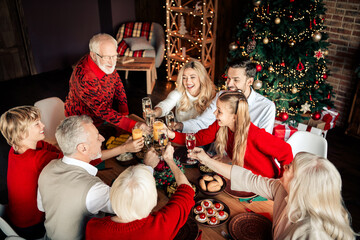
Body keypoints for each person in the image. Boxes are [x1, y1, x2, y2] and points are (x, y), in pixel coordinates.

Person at [189, 150, 358, 240]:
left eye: (290, 167)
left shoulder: (311, 232)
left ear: (301, 184)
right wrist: (206, 160)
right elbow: (249, 179)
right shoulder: (283, 188)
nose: (284, 166)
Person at [37, 115, 142, 240]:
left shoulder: (48, 168)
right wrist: (148, 167)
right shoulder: (94, 189)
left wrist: (123, 148)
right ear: (83, 148)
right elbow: (131, 206)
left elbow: (41, 207)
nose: (102, 139)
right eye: (97, 137)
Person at [169, 91, 292, 178]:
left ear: (235, 117)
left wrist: (283, 179)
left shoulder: (255, 134)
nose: (215, 113)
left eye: (219, 111)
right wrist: (171, 134)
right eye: (216, 109)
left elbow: (286, 151)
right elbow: (199, 138)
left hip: (265, 183)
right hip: (244, 179)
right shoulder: (221, 125)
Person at [85, 144, 195, 240]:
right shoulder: (161, 226)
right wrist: (170, 160)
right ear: (153, 197)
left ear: (113, 191)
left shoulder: (93, 228)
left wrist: (148, 167)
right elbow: (187, 190)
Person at [64, 33, 148, 134]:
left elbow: (118, 85)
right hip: (81, 124)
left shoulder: (103, 60)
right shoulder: (85, 76)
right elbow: (101, 109)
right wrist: (133, 125)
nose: (112, 62)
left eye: (114, 56)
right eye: (108, 57)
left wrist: (124, 113)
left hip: (103, 117)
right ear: (93, 56)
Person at [0, 106, 61, 239]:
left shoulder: (15, 148)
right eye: (36, 124)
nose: (43, 125)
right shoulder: (36, 159)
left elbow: (47, 146)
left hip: (15, 217)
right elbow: (74, 159)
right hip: (31, 226)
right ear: (22, 133)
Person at [173, 59, 276, 134]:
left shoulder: (266, 107)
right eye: (228, 78)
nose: (229, 84)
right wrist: (179, 125)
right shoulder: (221, 95)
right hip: (217, 153)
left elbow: (262, 143)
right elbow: (203, 122)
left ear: (250, 81)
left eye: (236, 80)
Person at [152, 61, 216, 130]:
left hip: (201, 138)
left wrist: (180, 125)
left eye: (192, 77)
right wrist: (155, 113)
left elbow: (203, 124)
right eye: (184, 78)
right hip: (179, 137)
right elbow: (166, 104)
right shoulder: (179, 92)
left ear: (201, 78)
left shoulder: (212, 96)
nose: (188, 82)